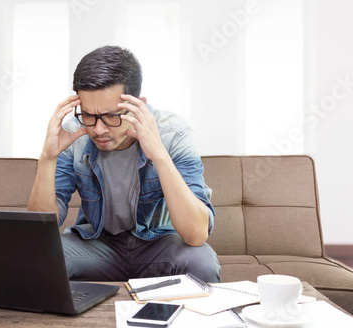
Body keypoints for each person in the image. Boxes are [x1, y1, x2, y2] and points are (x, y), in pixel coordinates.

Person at [28, 45, 221, 283]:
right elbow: (38, 233)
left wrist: (159, 155)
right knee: (35, 257)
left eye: (111, 116)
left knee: (202, 263)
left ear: (137, 105)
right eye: (88, 115)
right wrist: (47, 158)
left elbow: (196, 235)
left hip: (159, 245)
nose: (98, 130)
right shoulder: (72, 136)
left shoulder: (174, 134)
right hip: (99, 245)